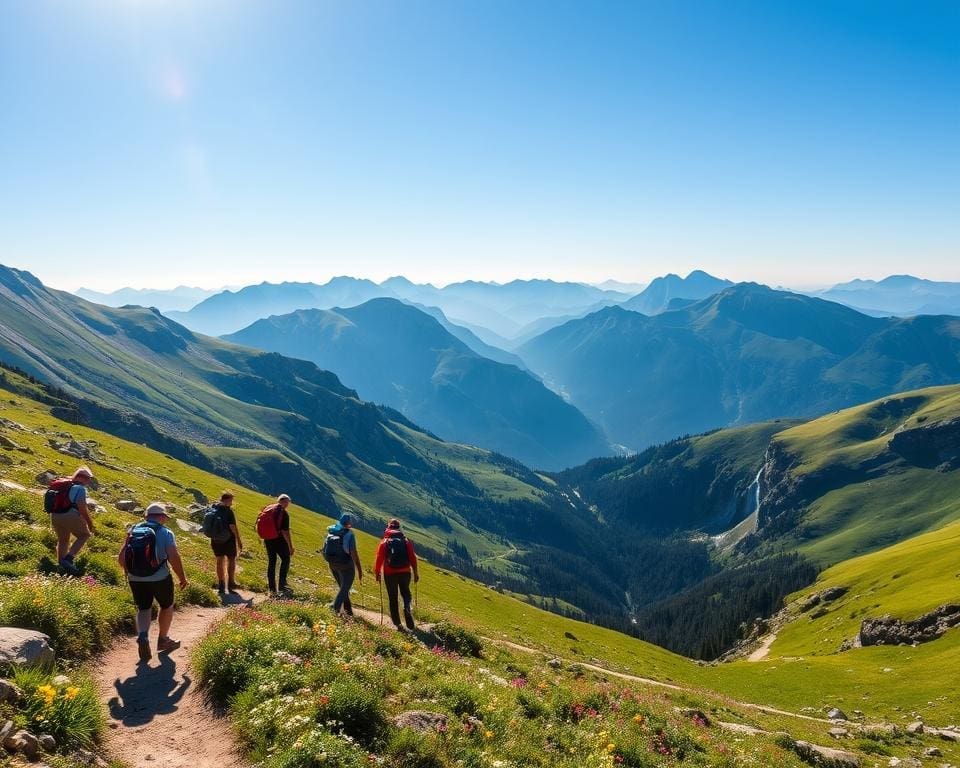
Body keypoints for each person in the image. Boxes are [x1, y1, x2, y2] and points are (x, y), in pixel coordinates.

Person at [117, 502, 188, 662]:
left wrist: (132, 573)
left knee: (143, 608)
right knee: (166, 605)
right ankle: (163, 639)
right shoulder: (166, 532)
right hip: (160, 577)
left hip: (135, 578)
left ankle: (143, 635)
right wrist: (182, 578)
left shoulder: (133, 531)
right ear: (162, 517)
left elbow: (121, 559)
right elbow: (174, 557)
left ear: (146, 517)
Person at [48, 466, 97, 575]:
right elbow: (82, 508)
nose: (89, 481)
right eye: (88, 478)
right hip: (70, 514)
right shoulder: (80, 489)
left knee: (63, 540)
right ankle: (69, 559)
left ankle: (62, 563)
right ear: (83, 478)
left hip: (55, 515)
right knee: (84, 535)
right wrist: (90, 523)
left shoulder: (62, 485)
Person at [374, 519, 419, 631]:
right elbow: (412, 557)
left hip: (390, 573)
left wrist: (377, 573)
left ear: (388, 528)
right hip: (405, 572)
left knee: (393, 597)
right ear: (399, 528)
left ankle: (397, 623)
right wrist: (416, 572)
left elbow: (379, 558)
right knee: (406, 593)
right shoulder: (406, 541)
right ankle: (407, 607)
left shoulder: (385, 541)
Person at [322, 513, 362, 616]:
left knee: (343, 588)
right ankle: (335, 608)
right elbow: (353, 552)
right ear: (349, 523)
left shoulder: (332, 531)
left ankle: (348, 611)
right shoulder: (349, 534)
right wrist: (359, 569)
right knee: (345, 588)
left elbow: (324, 549)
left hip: (332, 564)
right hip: (345, 564)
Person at [259, 494, 294, 596]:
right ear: (286, 502)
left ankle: (272, 588)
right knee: (286, 559)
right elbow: (285, 531)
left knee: (272, 561)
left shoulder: (269, 508)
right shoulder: (284, 513)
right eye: (288, 502)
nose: (288, 504)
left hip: (268, 539)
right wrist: (290, 546)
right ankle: (282, 585)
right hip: (279, 540)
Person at [210, 491, 243, 595]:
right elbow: (232, 527)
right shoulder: (228, 511)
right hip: (228, 539)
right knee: (231, 559)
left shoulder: (213, 508)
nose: (232, 503)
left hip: (215, 539)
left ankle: (221, 585)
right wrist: (238, 540)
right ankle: (231, 583)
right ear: (227, 500)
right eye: (231, 500)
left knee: (219, 560)